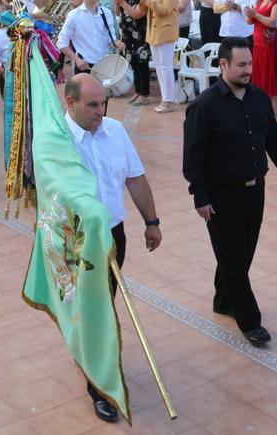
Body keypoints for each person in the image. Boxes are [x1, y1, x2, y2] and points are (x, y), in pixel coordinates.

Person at [182, 36, 277, 347]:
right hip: (220, 195)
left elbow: (273, 137)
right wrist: (200, 195)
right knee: (232, 257)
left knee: (241, 253)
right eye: (241, 65)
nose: (248, 70)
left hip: (253, 190)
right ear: (223, 65)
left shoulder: (258, 98)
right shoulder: (204, 107)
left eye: (250, 64)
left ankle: (223, 300)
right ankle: (250, 321)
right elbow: (192, 156)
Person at [62, 73, 162, 422]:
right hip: (75, 241)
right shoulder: (56, 140)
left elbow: (134, 177)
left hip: (113, 237)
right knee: (96, 313)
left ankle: (89, 356)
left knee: (100, 308)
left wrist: (152, 222)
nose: (100, 111)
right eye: (92, 105)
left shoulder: (115, 131)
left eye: (103, 103)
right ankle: (101, 388)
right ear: (70, 103)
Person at [58, 0, 122, 77]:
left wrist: (117, 44)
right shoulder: (74, 15)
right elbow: (62, 43)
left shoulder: (106, 13)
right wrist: (76, 59)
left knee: (103, 92)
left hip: (104, 64)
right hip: (84, 66)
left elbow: (111, 40)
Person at [244, 0, 277, 117]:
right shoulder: (260, 0)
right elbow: (252, 22)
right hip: (258, 43)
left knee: (271, 76)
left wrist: (255, 15)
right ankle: (263, 108)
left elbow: (273, 22)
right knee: (260, 76)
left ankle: (274, 111)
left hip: (270, 44)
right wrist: (250, 16)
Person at [143, 0, 181, 113]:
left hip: (165, 32)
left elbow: (164, 10)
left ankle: (169, 100)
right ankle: (164, 98)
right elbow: (149, 7)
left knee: (166, 67)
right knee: (158, 66)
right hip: (153, 31)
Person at [111, 0, 152, 106]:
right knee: (133, 64)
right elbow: (118, 12)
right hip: (128, 35)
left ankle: (144, 93)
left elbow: (137, 14)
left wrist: (122, 2)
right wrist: (117, 2)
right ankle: (138, 91)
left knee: (142, 64)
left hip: (139, 35)